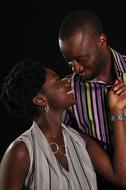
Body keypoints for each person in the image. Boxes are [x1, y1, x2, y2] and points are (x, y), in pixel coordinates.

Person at [0, 59, 126, 190]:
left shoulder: (81, 140)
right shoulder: (20, 151)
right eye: (57, 81)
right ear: (40, 99)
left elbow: (122, 178)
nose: (67, 82)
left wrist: (117, 110)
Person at [58, 10, 126, 189]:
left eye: (81, 59)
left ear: (101, 42)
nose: (76, 69)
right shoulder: (66, 91)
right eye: (69, 61)